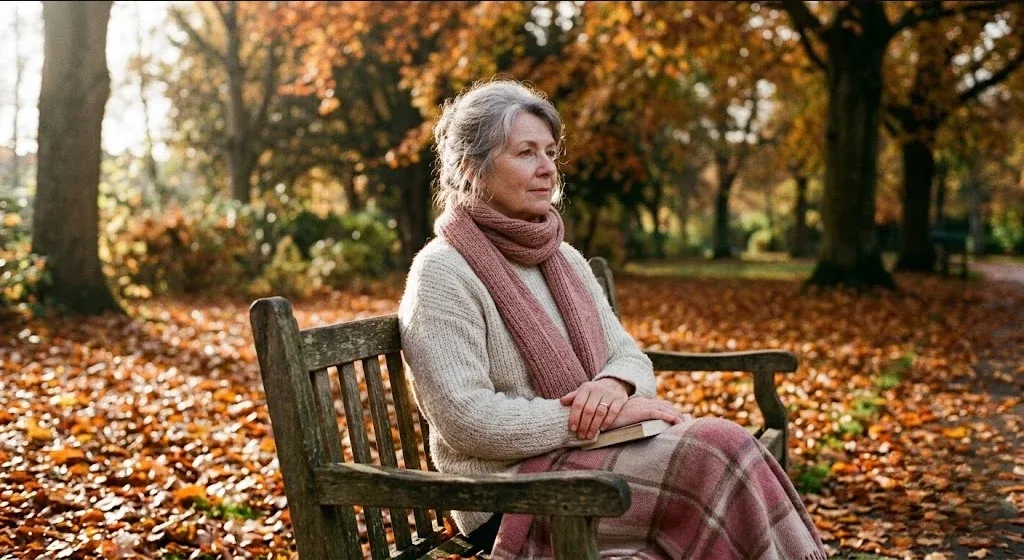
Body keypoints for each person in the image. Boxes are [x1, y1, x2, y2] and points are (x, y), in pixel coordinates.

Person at [397, 79, 826, 560]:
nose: (547, 170)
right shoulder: (443, 272)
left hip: (586, 460)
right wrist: (593, 420)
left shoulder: (564, 260)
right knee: (714, 450)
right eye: (526, 153)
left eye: (551, 152)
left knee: (723, 445)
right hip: (506, 498)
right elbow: (467, 420)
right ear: (470, 167)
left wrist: (615, 387)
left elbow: (628, 356)